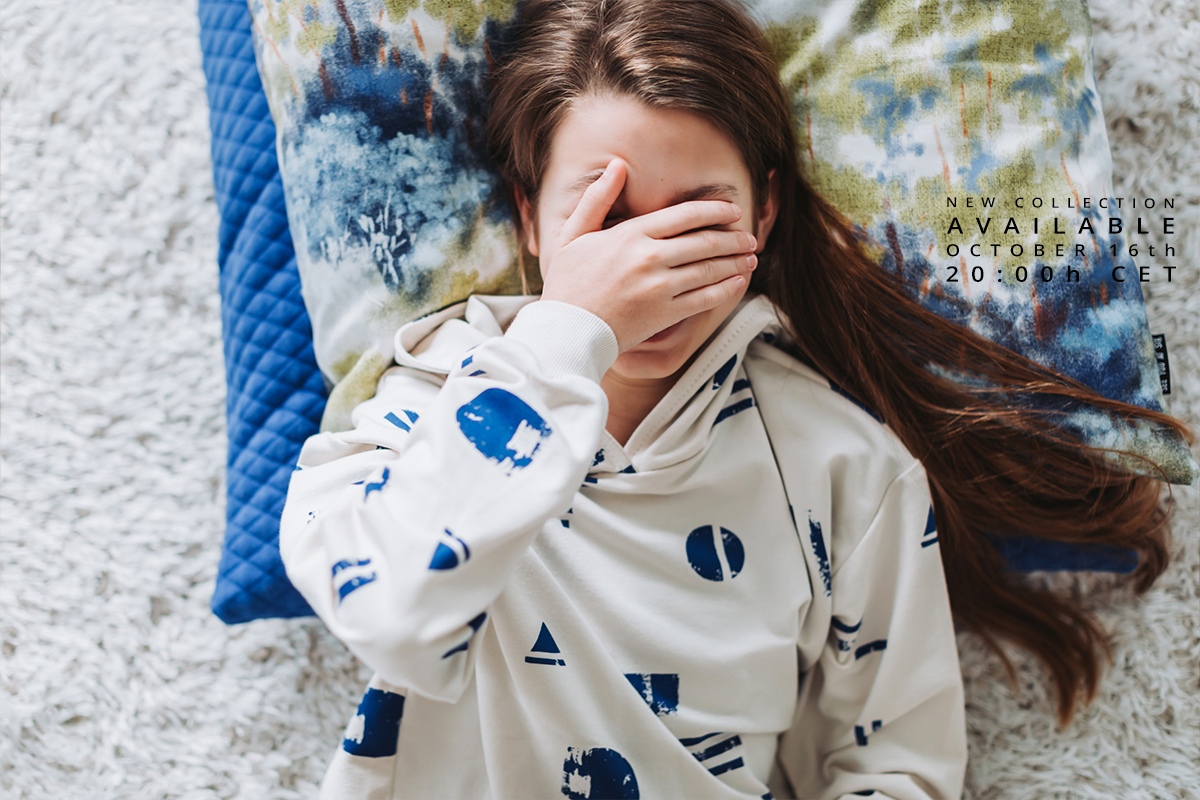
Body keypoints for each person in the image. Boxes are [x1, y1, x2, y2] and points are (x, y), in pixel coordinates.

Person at [279, 0, 1192, 797]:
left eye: (697, 223)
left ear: (763, 213)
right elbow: (390, 615)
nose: (648, 271)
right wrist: (567, 333)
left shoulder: (845, 468)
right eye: (607, 221)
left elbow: (899, 765)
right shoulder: (431, 392)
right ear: (528, 218)